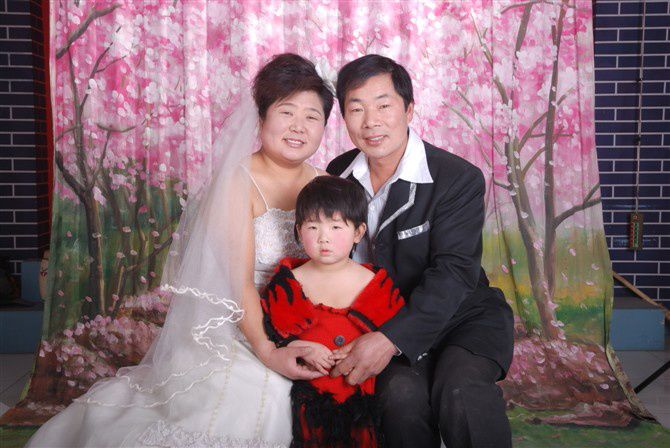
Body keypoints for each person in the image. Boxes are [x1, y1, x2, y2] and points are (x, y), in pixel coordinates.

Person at [26, 53, 334, 448]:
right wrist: (269, 351)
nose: (298, 126)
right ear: (261, 119)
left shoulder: (326, 183)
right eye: (286, 112)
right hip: (237, 326)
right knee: (263, 398)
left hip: (302, 320)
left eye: (312, 116)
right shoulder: (237, 183)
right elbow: (239, 284)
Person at [326, 54, 515, 448]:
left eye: (383, 105)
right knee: (400, 398)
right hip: (385, 317)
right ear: (343, 117)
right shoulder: (337, 175)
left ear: (409, 109)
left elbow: (455, 273)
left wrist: (390, 339)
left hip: (463, 316)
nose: (370, 121)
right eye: (356, 109)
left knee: (460, 390)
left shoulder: (456, 178)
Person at [261, 176, 405, 447]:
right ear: (298, 231)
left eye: (336, 226)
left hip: (361, 403)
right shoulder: (288, 283)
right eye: (312, 227)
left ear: (358, 232)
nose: (323, 238)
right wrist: (297, 346)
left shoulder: (375, 284)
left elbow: (395, 335)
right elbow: (273, 332)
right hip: (307, 403)